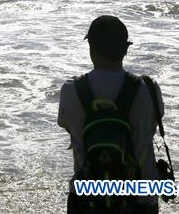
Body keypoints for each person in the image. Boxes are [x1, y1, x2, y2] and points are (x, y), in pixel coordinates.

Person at [58, 16, 165, 213]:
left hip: (86, 198)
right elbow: (151, 128)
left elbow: (67, 125)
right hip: (142, 199)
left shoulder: (71, 90)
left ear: (90, 47)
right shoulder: (148, 89)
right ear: (126, 49)